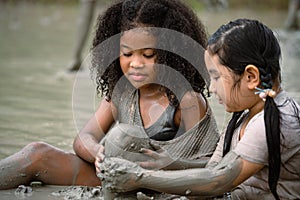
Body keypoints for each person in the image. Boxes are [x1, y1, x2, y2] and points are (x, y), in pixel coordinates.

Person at [0, 0, 220, 198]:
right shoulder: (121, 92)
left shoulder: (187, 101)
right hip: (115, 178)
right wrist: (97, 151)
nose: (135, 63)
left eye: (147, 55)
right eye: (127, 54)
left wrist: (168, 165)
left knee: (127, 137)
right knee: (37, 153)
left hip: (161, 187)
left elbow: (214, 167)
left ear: (170, 52)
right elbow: (83, 138)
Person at [99, 19, 300, 200]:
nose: (211, 88)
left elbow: (219, 180)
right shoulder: (245, 117)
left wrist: (139, 177)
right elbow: (216, 167)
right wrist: (172, 163)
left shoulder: (274, 120)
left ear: (250, 77)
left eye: (216, 77)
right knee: (124, 141)